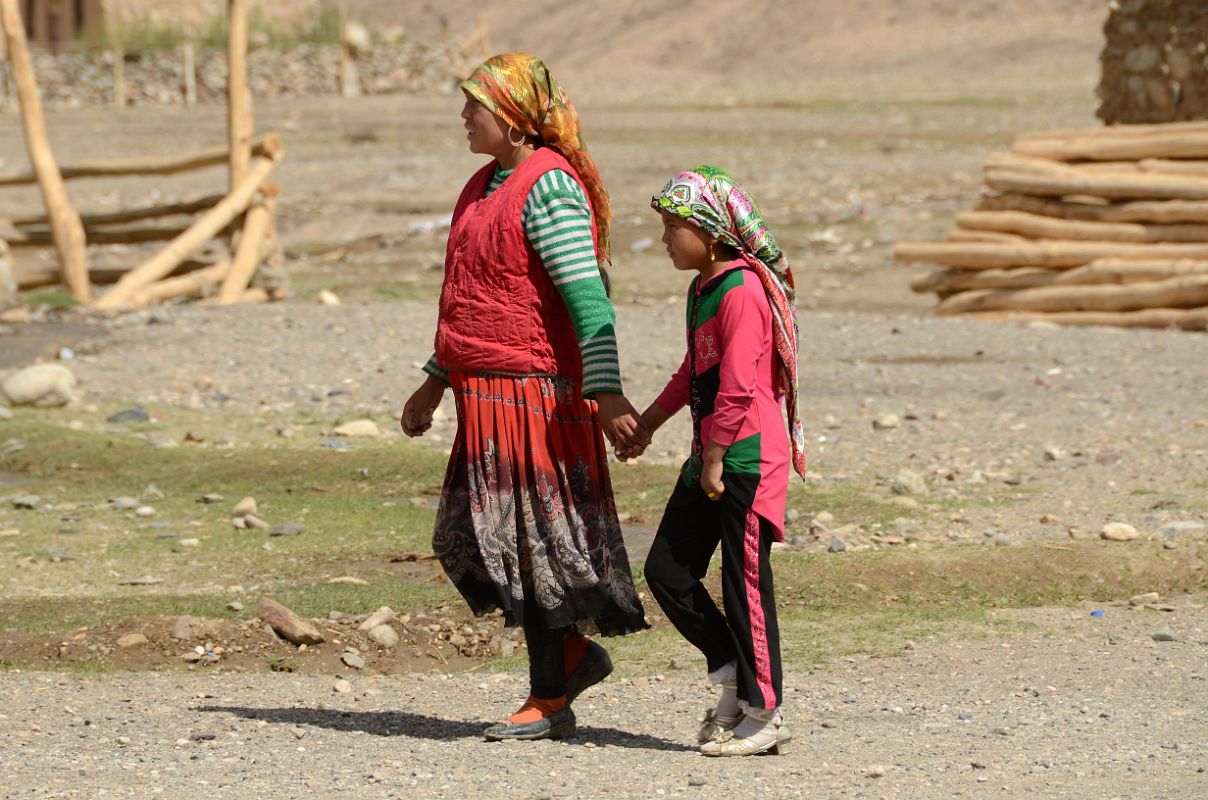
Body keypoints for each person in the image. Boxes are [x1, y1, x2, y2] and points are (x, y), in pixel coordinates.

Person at [400, 52, 649, 742]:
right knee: (474, 541)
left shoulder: (548, 189)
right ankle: (571, 656)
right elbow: (474, 299)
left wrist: (604, 393)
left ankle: (549, 694)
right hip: (485, 397)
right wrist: (432, 384)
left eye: (473, 105)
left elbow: (588, 302)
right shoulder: (483, 184)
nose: (463, 118)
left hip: (535, 399)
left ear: (510, 117)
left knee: (530, 545)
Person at [620, 166, 807, 756]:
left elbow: (739, 387)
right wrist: (647, 423)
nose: (666, 238)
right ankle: (730, 673)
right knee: (667, 572)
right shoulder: (703, 288)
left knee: (744, 583)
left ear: (711, 230)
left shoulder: (743, 291)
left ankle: (764, 711)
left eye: (675, 226)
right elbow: (692, 372)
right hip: (714, 454)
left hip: (744, 460)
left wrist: (715, 458)